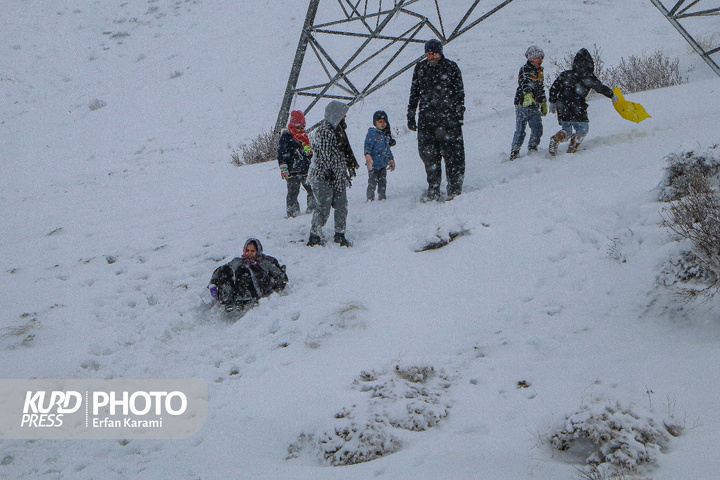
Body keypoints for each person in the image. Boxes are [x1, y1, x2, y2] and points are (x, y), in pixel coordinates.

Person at [407, 38, 466, 201]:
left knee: (453, 156)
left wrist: (458, 114)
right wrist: (411, 114)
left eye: (434, 53)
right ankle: (433, 188)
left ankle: (454, 189)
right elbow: (414, 93)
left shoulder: (451, 67)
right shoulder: (420, 68)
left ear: (440, 53)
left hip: (448, 120)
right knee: (429, 156)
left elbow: (459, 92)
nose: (431, 56)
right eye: (428, 53)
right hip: (427, 120)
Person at [548, 48, 618, 156]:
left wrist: (552, 102)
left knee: (567, 130)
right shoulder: (589, 77)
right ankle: (572, 149)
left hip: (562, 106)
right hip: (577, 106)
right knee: (583, 129)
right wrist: (612, 95)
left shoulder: (566, 74)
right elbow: (600, 88)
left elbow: (554, 87)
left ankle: (556, 138)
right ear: (590, 64)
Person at [307, 100, 354, 247]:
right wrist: (333, 172)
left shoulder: (338, 130)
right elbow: (327, 157)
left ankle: (340, 234)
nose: (345, 118)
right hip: (323, 176)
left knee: (341, 205)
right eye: (343, 115)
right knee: (323, 206)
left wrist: (343, 172)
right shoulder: (325, 131)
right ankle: (314, 235)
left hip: (337, 175)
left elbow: (340, 155)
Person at [208, 238, 287, 311]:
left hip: (256, 291)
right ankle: (227, 299)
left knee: (243, 271)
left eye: (252, 251)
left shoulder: (265, 263)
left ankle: (245, 299)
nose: (249, 253)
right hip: (240, 290)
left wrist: (273, 290)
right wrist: (213, 283)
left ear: (258, 251)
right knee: (227, 271)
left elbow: (280, 276)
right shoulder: (239, 261)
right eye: (247, 250)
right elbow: (220, 270)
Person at [510, 45, 548, 161]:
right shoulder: (525, 69)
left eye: (542, 57)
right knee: (521, 129)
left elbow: (540, 88)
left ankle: (533, 147)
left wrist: (543, 102)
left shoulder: (540, 71)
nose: (540, 60)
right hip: (523, 104)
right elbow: (525, 83)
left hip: (534, 105)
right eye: (538, 58)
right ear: (531, 59)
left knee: (537, 128)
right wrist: (527, 96)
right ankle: (515, 151)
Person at [278, 110, 317, 217]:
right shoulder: (286, 137)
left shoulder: (304, 138)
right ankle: (292, 210)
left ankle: (313, 206)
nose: (300, 130)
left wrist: (310, 154)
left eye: (302, 127)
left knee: (311, 188)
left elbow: (309, 153)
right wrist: (283, 168)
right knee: (292, 191)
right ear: (292, 126)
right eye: (297, 127)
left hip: (306, 169)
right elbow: (281, 154)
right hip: (292, 170)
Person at [364, 110, 396, 201]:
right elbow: (367, 146)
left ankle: (382, 196)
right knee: (372, 181)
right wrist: (368, 157)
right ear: (375, 123)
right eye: (380, 122)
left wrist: (391, 159)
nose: (382, 124)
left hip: (382, 164)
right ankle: (370, 198)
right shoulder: (372, 134)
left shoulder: (385, 135)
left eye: (384, 122)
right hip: (373, 164)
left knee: (382, 181)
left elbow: (387, 149)